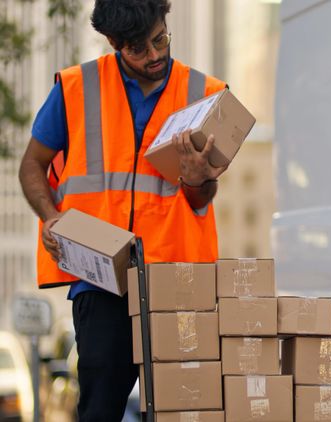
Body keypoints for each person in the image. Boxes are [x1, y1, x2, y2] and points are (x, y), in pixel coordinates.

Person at [18, 0, 228, 419]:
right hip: (98, 278)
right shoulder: (77, 88)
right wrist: (51, 216)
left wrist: (197, 177)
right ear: (114, 43)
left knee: (178, 408)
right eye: (138, 48)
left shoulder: (206, 96)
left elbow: (201, 200)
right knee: (100, 407)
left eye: (160, 39)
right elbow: (31, 166)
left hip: (176, 278)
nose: (154, 55)